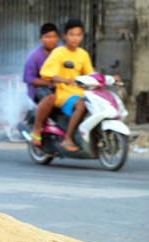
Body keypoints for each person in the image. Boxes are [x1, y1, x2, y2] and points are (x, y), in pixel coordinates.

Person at [30, 18, 94, 152]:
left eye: (78, 35)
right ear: (65, 36)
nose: (75, 38)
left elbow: (90, 75)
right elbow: (47, 73)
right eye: (71, 34)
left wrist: (108, 79)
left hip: (80, 92)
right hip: (62, 93)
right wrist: (63, 80)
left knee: (94, 103)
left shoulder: (83, 54)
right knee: (81, 105)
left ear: (82, 36)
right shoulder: (58, 53)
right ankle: (68, 138)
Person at [23, 23, 60, 104]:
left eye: (54, 36)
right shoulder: (34, 55)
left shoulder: (62, 51)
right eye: (47, 37)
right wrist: (47, 83)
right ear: (40, 38)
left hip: (61, 88)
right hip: (40, 90)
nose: (51, 40)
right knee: (50, 98)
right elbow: (29, 78)